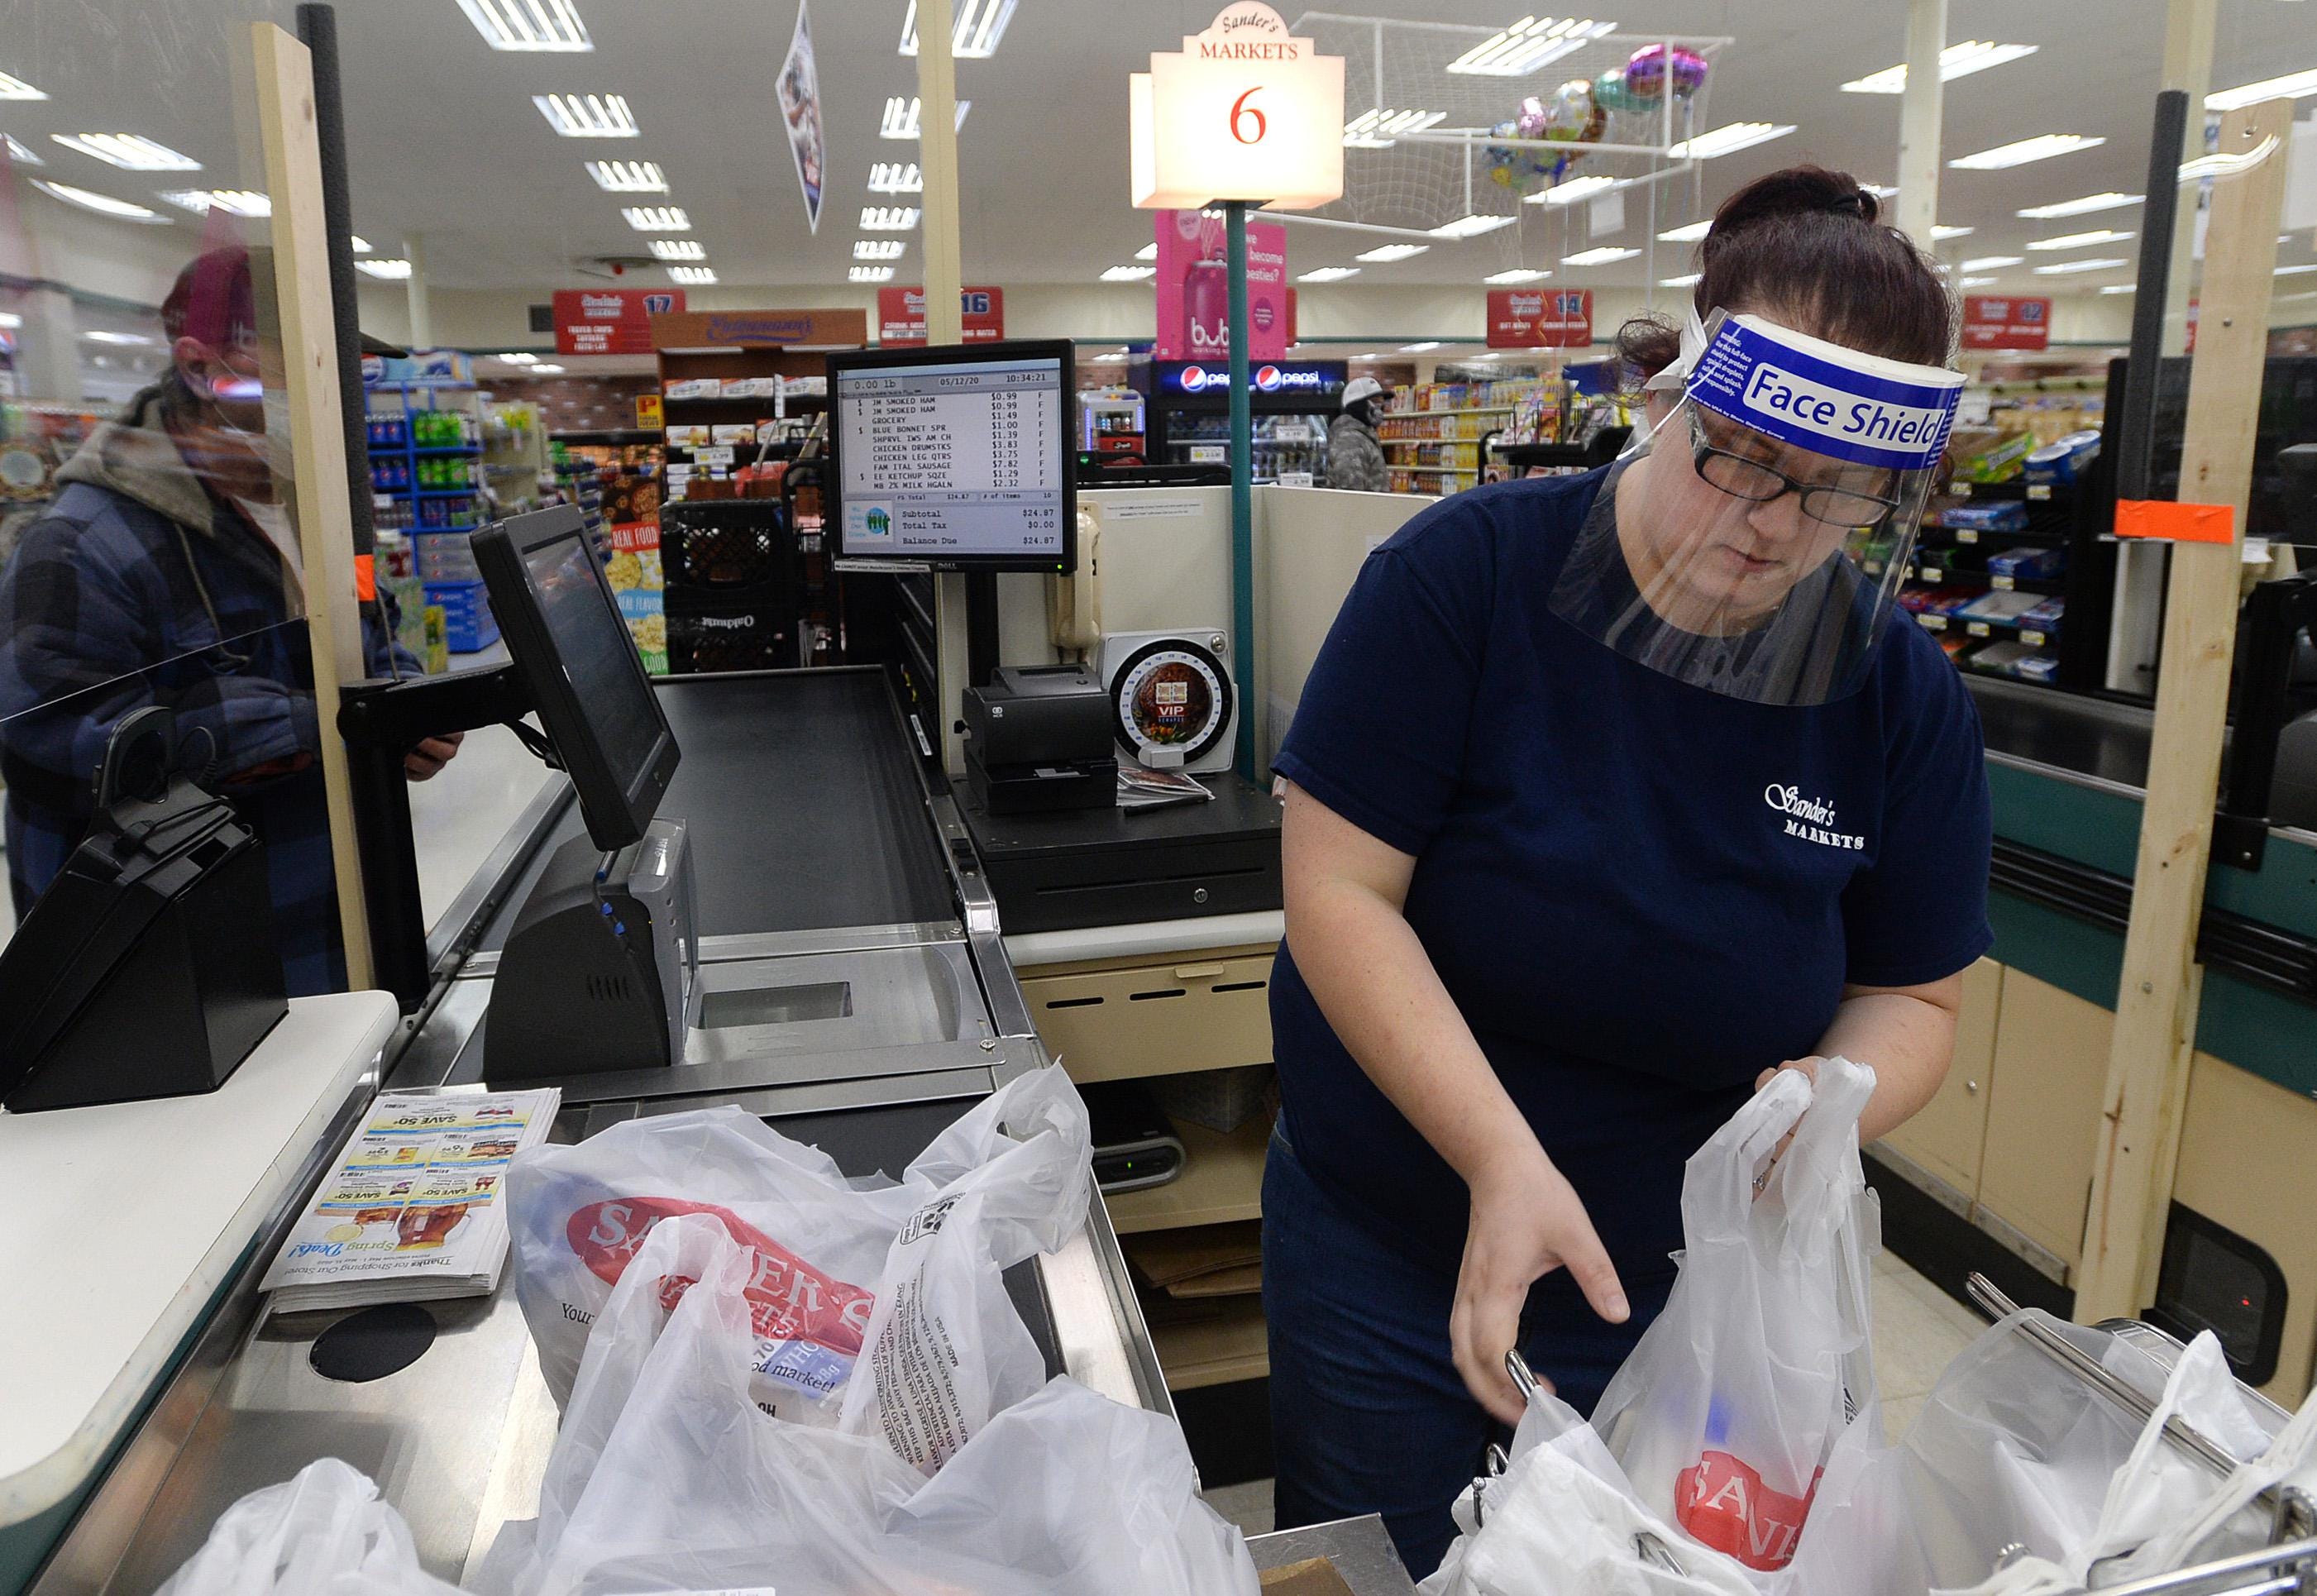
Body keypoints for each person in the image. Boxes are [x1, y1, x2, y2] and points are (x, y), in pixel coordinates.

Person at [1262, 167, 1993, 1576]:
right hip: (1391, 1259)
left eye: (1835, 493)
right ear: (1669, 391)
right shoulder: (1462, 580)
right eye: (1733, 454)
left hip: (1684, 1301)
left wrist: (1825, 1097)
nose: (1770, 525)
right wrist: (1497, 1160)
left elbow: (1917, 996)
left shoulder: (1898, 696)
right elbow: (1338, 895)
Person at [0, 245, 460, 993]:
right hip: (179, 979)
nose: (333, 392)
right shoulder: (81, 545)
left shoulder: (315, 508)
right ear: (200, 369)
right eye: (305, 366)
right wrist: (323, 722)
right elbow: (64, 743)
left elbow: (372, 630)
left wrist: (401, 703)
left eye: (342, 368)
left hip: (330, 930)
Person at [1325, 375, 1390, 492]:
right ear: (1358, 405)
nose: (1380, 407)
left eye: (1381, 402)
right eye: (1375, 401)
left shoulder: (1364, 436)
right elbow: (1351, 493)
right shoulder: (1349, 440)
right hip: (1364, 509)